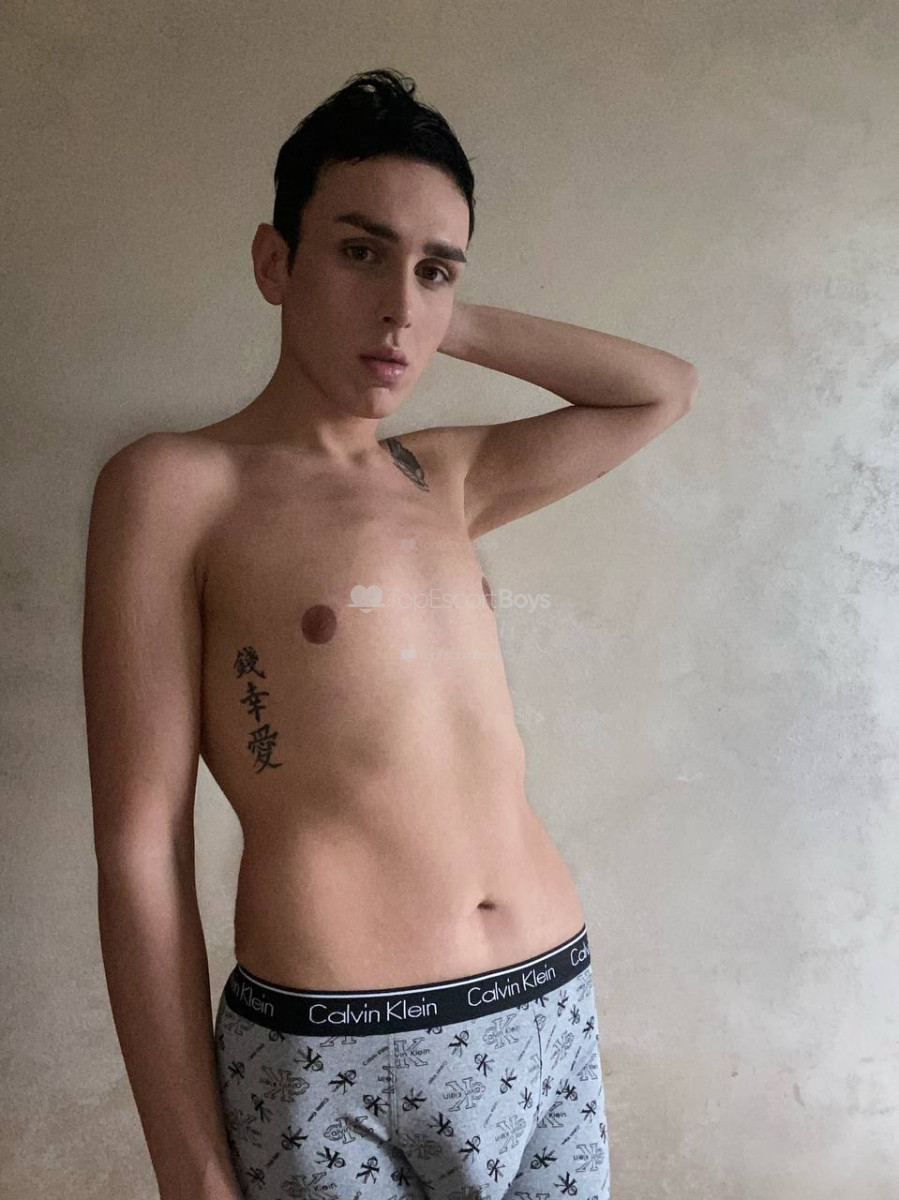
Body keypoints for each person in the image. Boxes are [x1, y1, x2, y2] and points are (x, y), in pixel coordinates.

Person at [82, 67, 696, 1200]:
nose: (399, 306)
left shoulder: (443, 476)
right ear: (275, 262)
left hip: (548, 1008)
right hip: (335, 1049)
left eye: (434, 268)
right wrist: (189, 1170)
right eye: (360, 252)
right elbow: (137, 851)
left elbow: (658, 390)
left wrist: (435, 315)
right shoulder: (176, 486)